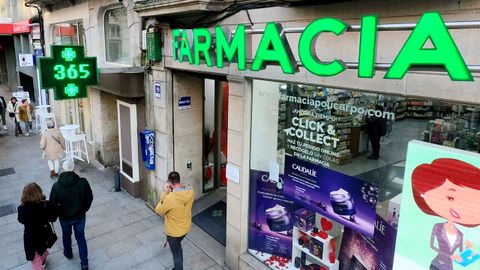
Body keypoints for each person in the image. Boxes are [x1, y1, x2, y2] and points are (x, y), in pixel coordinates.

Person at [412, 158, 480, 270]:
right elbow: (432, 245)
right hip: (436, 263)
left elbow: (461, 254)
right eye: (450, 197)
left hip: (449, 266)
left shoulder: (460, 234)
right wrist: (443, 254)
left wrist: (469, 253)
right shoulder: (438, 227)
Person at [49, 160, 93, 270]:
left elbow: (52, 204)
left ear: (63, 169)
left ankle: (68, 253)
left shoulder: (56, 186)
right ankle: (84, 263)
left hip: (65, 218)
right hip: (80, 216)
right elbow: (89, 197)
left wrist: (57, 214)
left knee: (66, 235)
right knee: (81, 238)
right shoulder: (83, 182)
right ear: (73, 169)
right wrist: (84, 209)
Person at [155, 171, 195, 270]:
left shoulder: (170, 198)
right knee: (178, 248)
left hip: (174, 233)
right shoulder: (190, 192)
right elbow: (180, 196)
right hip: (185, 228)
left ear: (170, 183)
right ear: (178, 180)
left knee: (177, 255)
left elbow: (158, 210)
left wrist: (165, 192)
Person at [17, 183, 57, 270]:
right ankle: (43, 258)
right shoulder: (46, 204)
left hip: (32, 238)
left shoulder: (22, 208)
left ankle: (41, 262)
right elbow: (53, 218)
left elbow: (21, 220)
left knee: (35, 261)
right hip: (45, 234)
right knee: (42, 248)